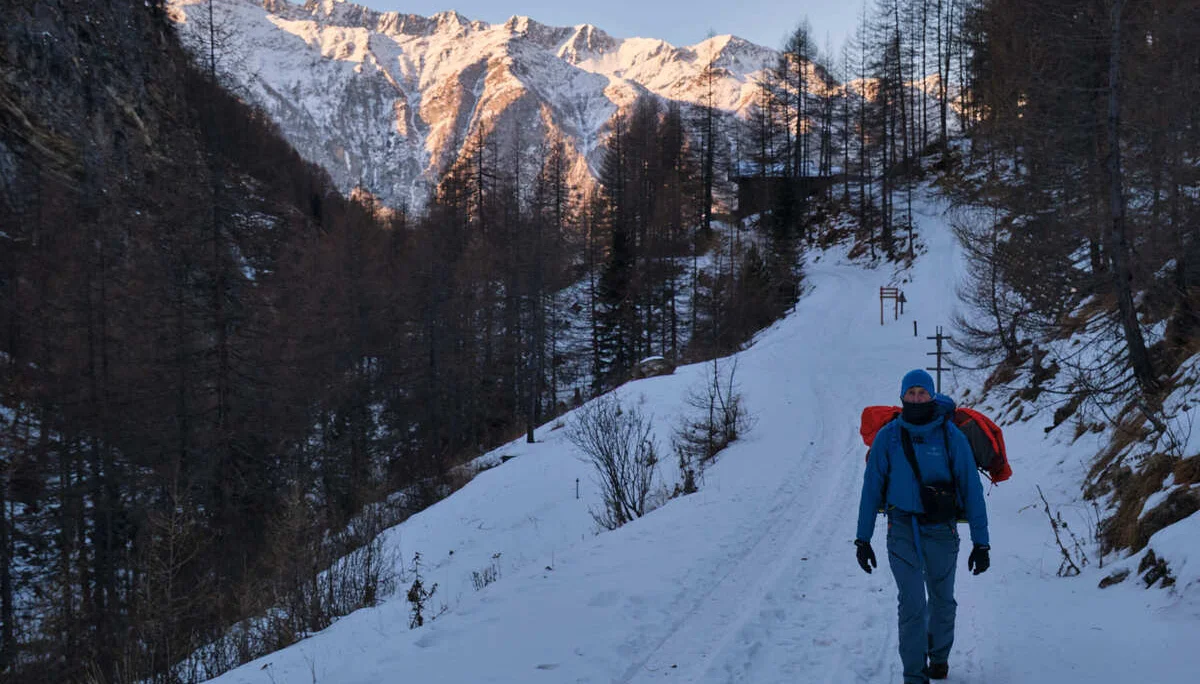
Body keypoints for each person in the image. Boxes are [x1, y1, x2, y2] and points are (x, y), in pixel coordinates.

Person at [854, 369, 990, 683]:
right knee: (912, 602)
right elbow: (871, 488)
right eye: (911, 392)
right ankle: (914, 675)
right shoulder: (888, 436)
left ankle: (939, 657)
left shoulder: (950, 435)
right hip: (901, 528)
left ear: (931, 396)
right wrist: (862, 538)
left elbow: (971, 489)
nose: (916, 398)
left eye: (922, 392)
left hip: (941, 530)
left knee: (942, 600)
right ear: (902, 397)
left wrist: (981, 543)